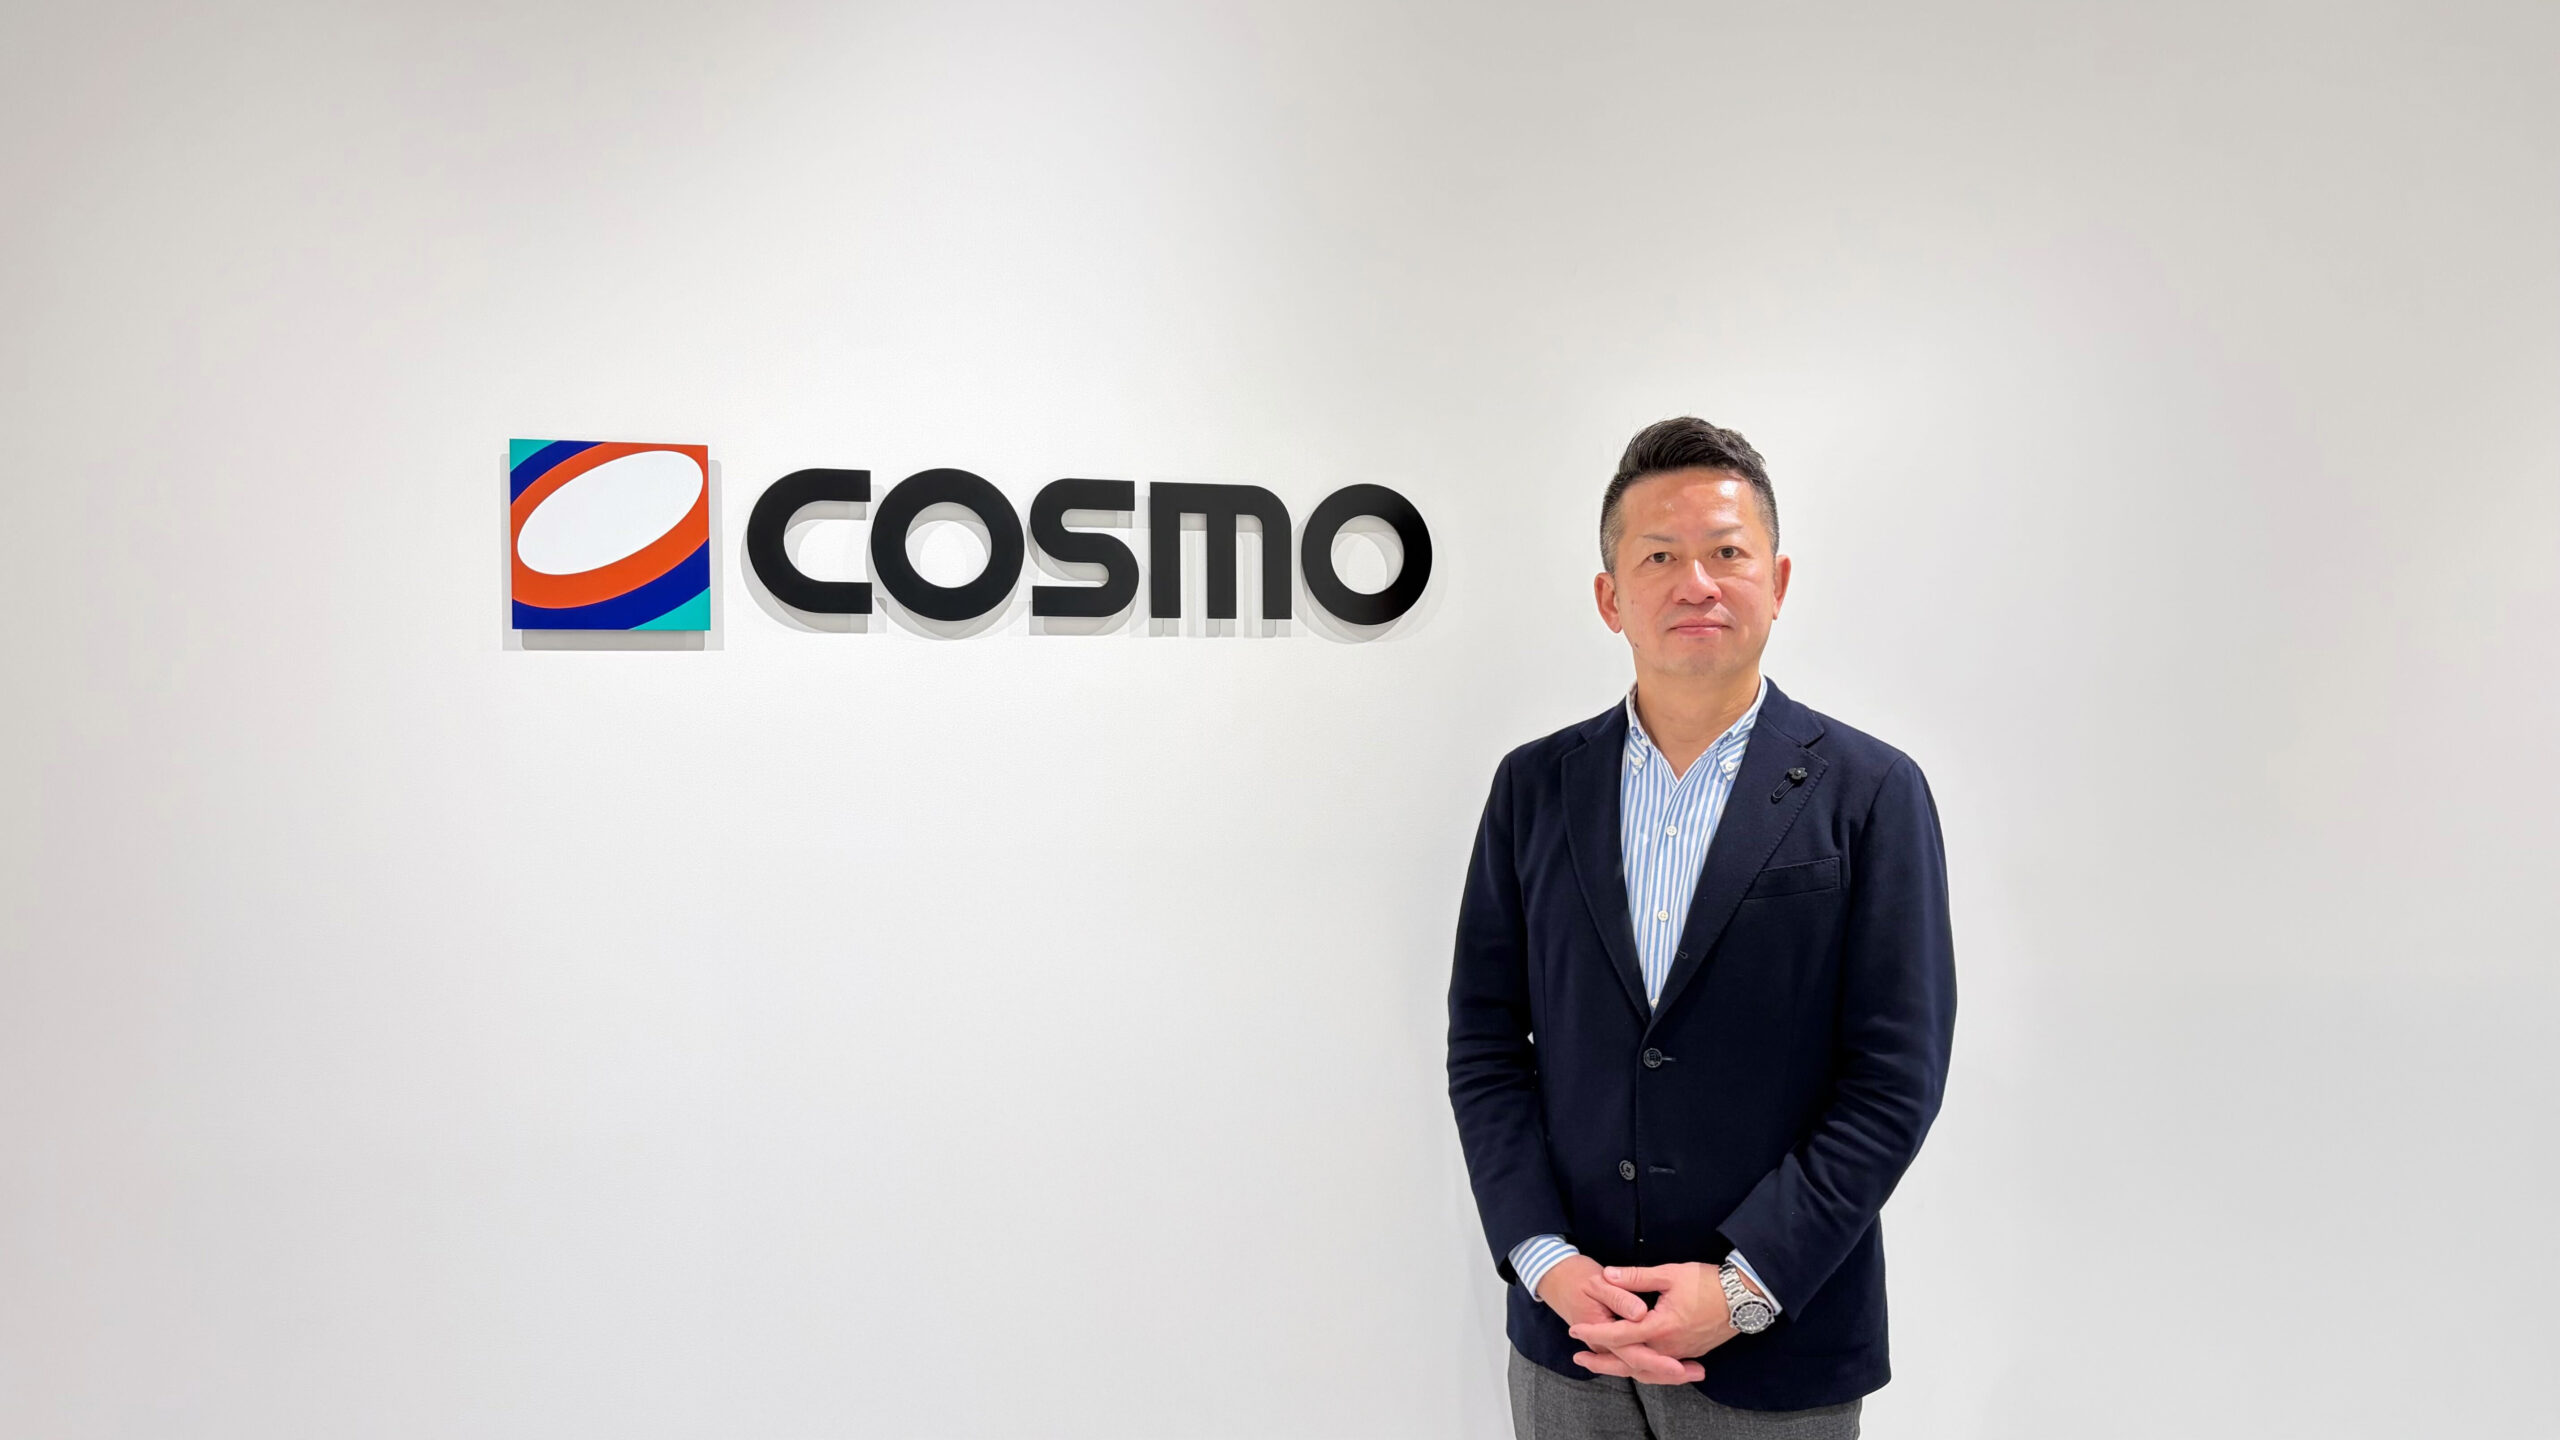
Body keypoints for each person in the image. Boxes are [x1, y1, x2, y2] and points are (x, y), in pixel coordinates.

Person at [1447, 418, 1956, 1438]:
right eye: (1658, 557)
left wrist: (1743, 1287)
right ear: (1609, 597)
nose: (1696, 584)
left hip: (1778, 1340)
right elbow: (1487, 1048)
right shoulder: (1533, 788)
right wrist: (1544, 1261)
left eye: (1726, 553)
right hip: (1569, 1340)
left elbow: (1894, 1077)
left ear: (1777, 580)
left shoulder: (1871, 792)